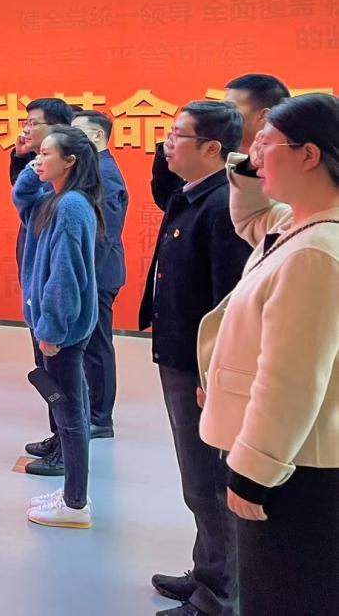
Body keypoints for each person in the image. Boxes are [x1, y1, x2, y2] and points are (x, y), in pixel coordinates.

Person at [198, 93, 339, 615]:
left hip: (296, 468)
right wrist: (249, 157)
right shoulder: (299, 224)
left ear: (309, 155)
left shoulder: (315, 251)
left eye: (268, 144)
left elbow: (291, 381)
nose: (255, 154)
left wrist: (254, 470)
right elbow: (253, 212)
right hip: (292, 458)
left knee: (284, 594)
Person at [142, 102, 251, 616]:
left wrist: (216, 374)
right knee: (198, 481)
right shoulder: (191, 196)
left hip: (201, 370)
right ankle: (207, 572)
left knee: (209, 484)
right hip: (179, 357)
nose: (166, 144)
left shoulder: (223, 206)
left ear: (212, 148)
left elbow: (228, 303)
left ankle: (220, 596)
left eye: (177, 136)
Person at [13, 126, 102, 528]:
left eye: (46, 154)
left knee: (69, 415)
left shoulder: (71, 207)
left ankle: (75, 503)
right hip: (55, 327)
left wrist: (51, 329)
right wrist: (30, 169)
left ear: (71, 161)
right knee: (69, 410)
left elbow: (65, 276)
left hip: (62, 331)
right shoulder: (54, 200)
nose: (38, 160)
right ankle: (72, 495)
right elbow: (22, 198)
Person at [9, 98, 75, 472]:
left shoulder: (69, 195)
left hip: (55, 305)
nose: (26, 129)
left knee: (66, 381)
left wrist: (52, 319)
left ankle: (68, 454)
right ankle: (58, 436)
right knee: (50, 376)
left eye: (34, 124)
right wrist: (26, 162)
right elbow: (22, 198)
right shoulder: (47, 181)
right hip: (40, 298)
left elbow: (64, 270)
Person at [70, 109, 129, 440]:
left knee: (97, 345)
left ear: (96, 136)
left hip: (97, 274)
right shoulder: (93, 169)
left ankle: (100, 418)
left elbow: (103, 234)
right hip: (91, 273)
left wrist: (83, 278)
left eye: (78, 132)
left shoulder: (104, 174)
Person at [152, 74, 290, 211]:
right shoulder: (218, 155)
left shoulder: (290, 165)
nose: (223, 112)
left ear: (264, 116)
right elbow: (174, 204)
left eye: (231, 107)